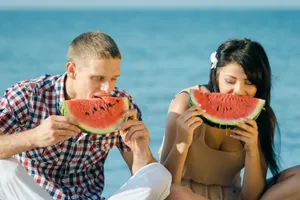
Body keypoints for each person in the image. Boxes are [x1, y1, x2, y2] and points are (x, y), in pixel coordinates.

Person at [0, 31, 171, 200]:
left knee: (158, 174)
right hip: (34, 196)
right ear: (72, 70)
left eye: (114, 78)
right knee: (3, 167)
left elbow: (140, 177)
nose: (107, 89)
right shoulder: (29, 95)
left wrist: (140, 150)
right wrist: (34, 137)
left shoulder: (123, 105)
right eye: (98, 78)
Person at [159, 39, 300, 200]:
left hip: (233, 196)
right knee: (176, 194)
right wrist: (182, 143)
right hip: (182, 195)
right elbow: (164, 185)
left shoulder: (263, 117)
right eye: (230, 81)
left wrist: (252, 150)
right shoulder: (185, 103)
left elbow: (251, 197)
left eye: (249, 82)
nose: (239, 91)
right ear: (216, 75)